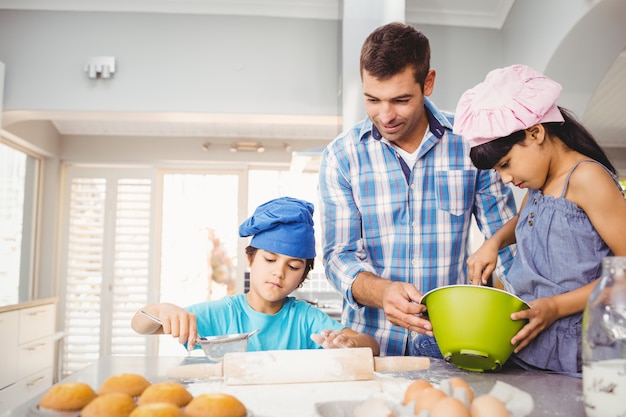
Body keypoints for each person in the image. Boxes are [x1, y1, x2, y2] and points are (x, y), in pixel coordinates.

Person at [318, 22, 517, 357]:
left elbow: (508, 243)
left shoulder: (471, 144)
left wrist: (528, 315)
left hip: (451, 342)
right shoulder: (342, 156)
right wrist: (383, 292)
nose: (385, 115)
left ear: (428, 82)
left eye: (400, 100)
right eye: (372, 99)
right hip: (370, 347)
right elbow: (338, 256)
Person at [453, 64, 626, 375]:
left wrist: (556, 306)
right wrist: (493, 242)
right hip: (530, 344)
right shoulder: (540, 181)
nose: (505, 178)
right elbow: (527, 219)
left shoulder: (587, 178)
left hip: (574, 352)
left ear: (536, 132)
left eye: (505, 164)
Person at [131, 196, 380, 356]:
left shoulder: (305, 319)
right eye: (270, 259)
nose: (279, 272)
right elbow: (140, 326)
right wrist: (163, 309)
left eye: (293, 267)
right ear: (250, 258)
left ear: (303, 274)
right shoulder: (223, 313)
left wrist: (351, 345)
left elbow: (372, 345)